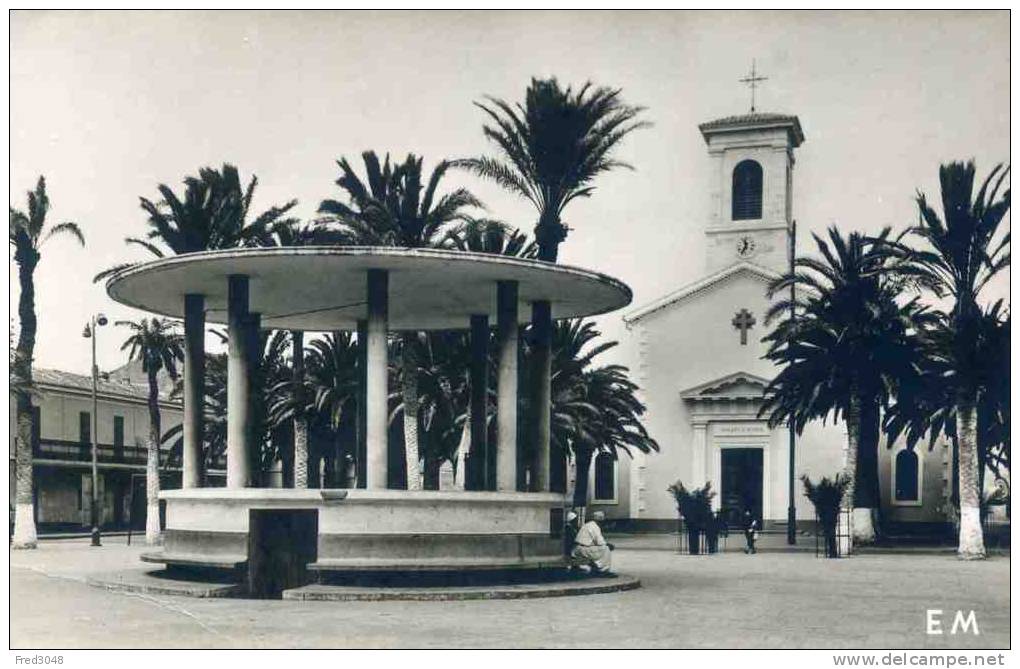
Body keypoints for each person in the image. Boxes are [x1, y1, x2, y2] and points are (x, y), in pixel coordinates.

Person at [571, 510, 616, 577]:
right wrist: (608, 545)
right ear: (600, 520)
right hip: (583, 550)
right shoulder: (595, 526)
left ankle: (595, 568)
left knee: (598, 550)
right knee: (606, 549)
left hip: (577, 549)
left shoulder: (588, 524)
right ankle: (603, 570)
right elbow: (600, 542)